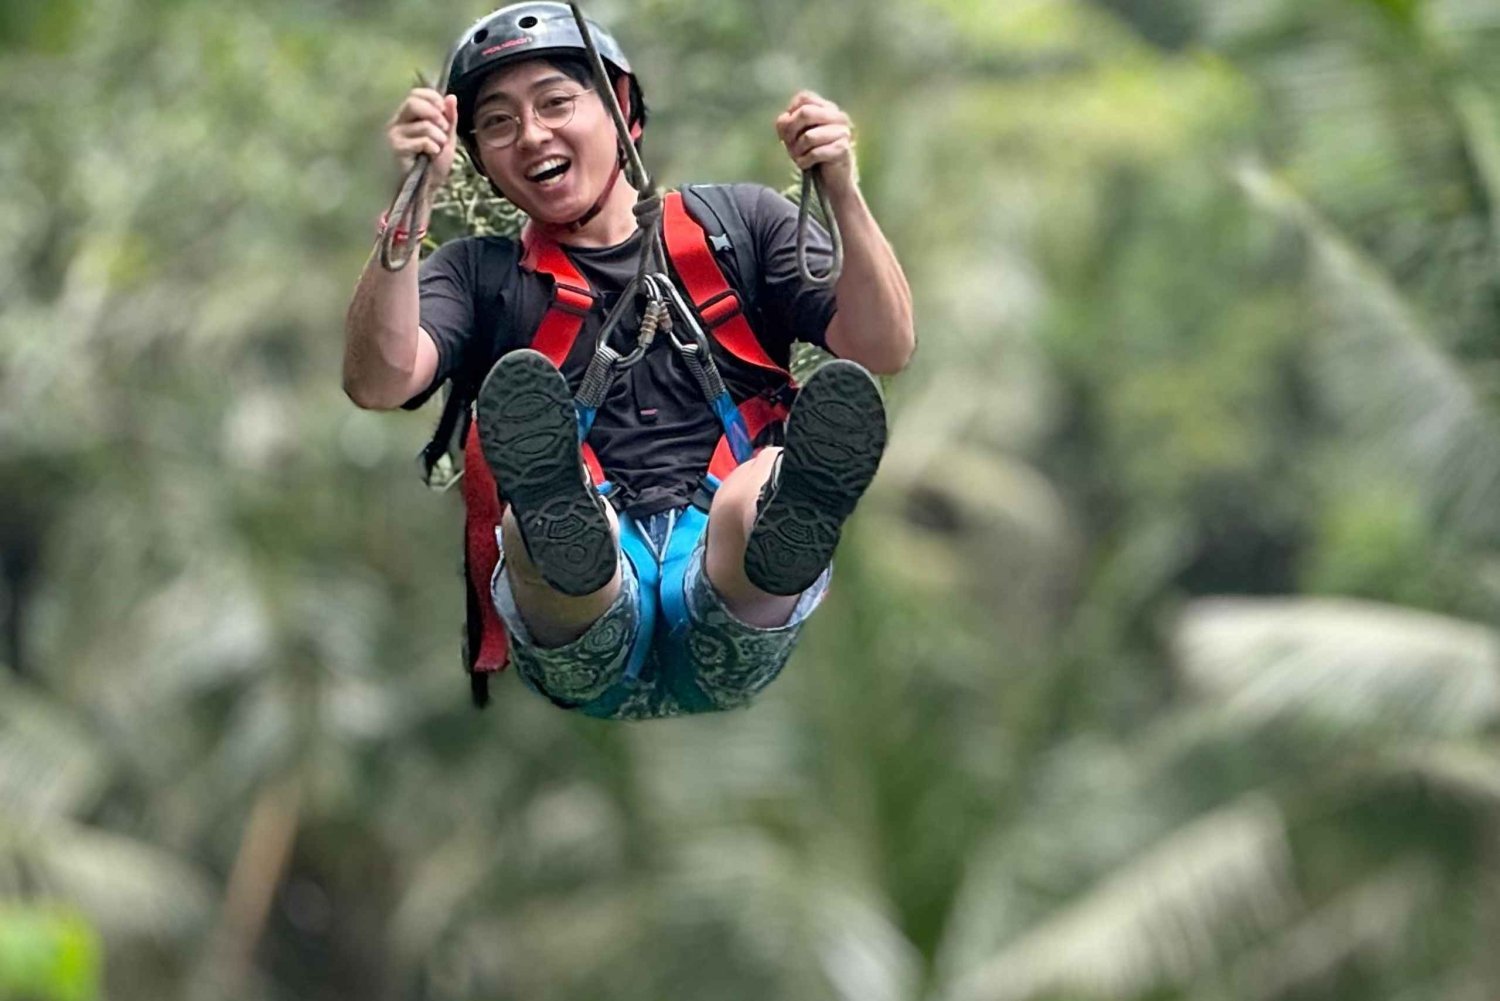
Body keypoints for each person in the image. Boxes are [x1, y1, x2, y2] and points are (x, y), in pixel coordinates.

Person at [343, 2, 914, 719]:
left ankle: (777, 525)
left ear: (623, 114)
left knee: (759, 485)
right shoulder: (478, 276)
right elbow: (379, 378)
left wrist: (841, 190)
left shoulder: (738, 228)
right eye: (498, 122)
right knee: (543, 525)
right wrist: (408, 209)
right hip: (581, 633)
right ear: (481, 163)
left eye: (555, 102)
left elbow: (883, 344)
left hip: (730, 590)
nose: (532, 134)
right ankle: (570, 530)